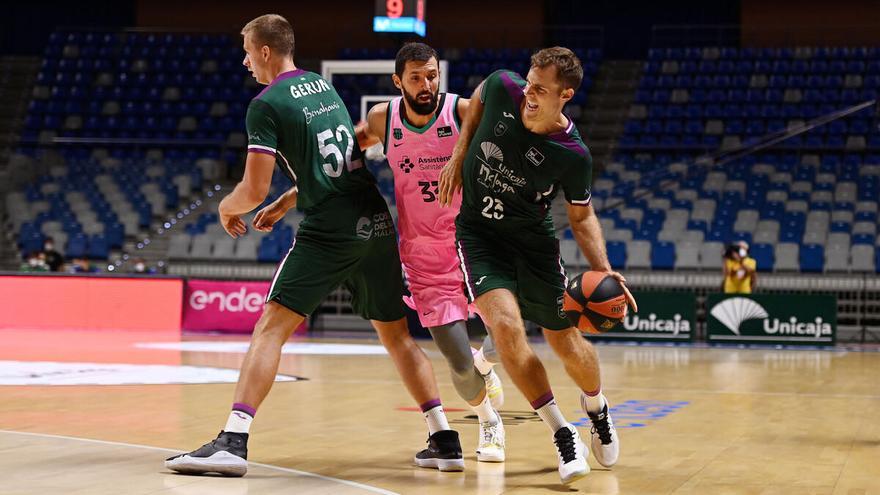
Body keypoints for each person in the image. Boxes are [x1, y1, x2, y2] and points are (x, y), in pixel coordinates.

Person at [166, 14, 463, 477]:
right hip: (375, 219)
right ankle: (444, 438)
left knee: (271, 328)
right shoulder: (322, 88)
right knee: (397, 336)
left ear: (266, 51)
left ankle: (233, 439)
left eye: (247, 51)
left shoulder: (264, 104)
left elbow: (253, 189)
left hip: (331, 228)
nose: (245, 61)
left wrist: (227, 208)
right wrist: (289, 202)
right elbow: (341, 159)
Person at [438, 47, 638, 485]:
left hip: (533, 244)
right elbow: (478, 100)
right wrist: (459, 152)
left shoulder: (573, 154)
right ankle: (561, 431)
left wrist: (603, 269)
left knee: (565, 340)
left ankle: (596, 407)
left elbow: (582, 217)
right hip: (478, 235)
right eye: (530, 82)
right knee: (505, 329)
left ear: (564, 95)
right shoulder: (503, 85)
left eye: (542, 89)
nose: (530, 93)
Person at [355, 42, 505, 464]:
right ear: (398, 81)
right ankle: (489, 419)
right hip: (424, 258)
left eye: (432, 75)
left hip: (475, 244)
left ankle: (489, 361)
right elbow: (352, 148)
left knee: (509, 335)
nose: (426, 84)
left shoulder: (459, 112)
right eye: (416, 77)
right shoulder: (382, 119)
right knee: (458, 362)